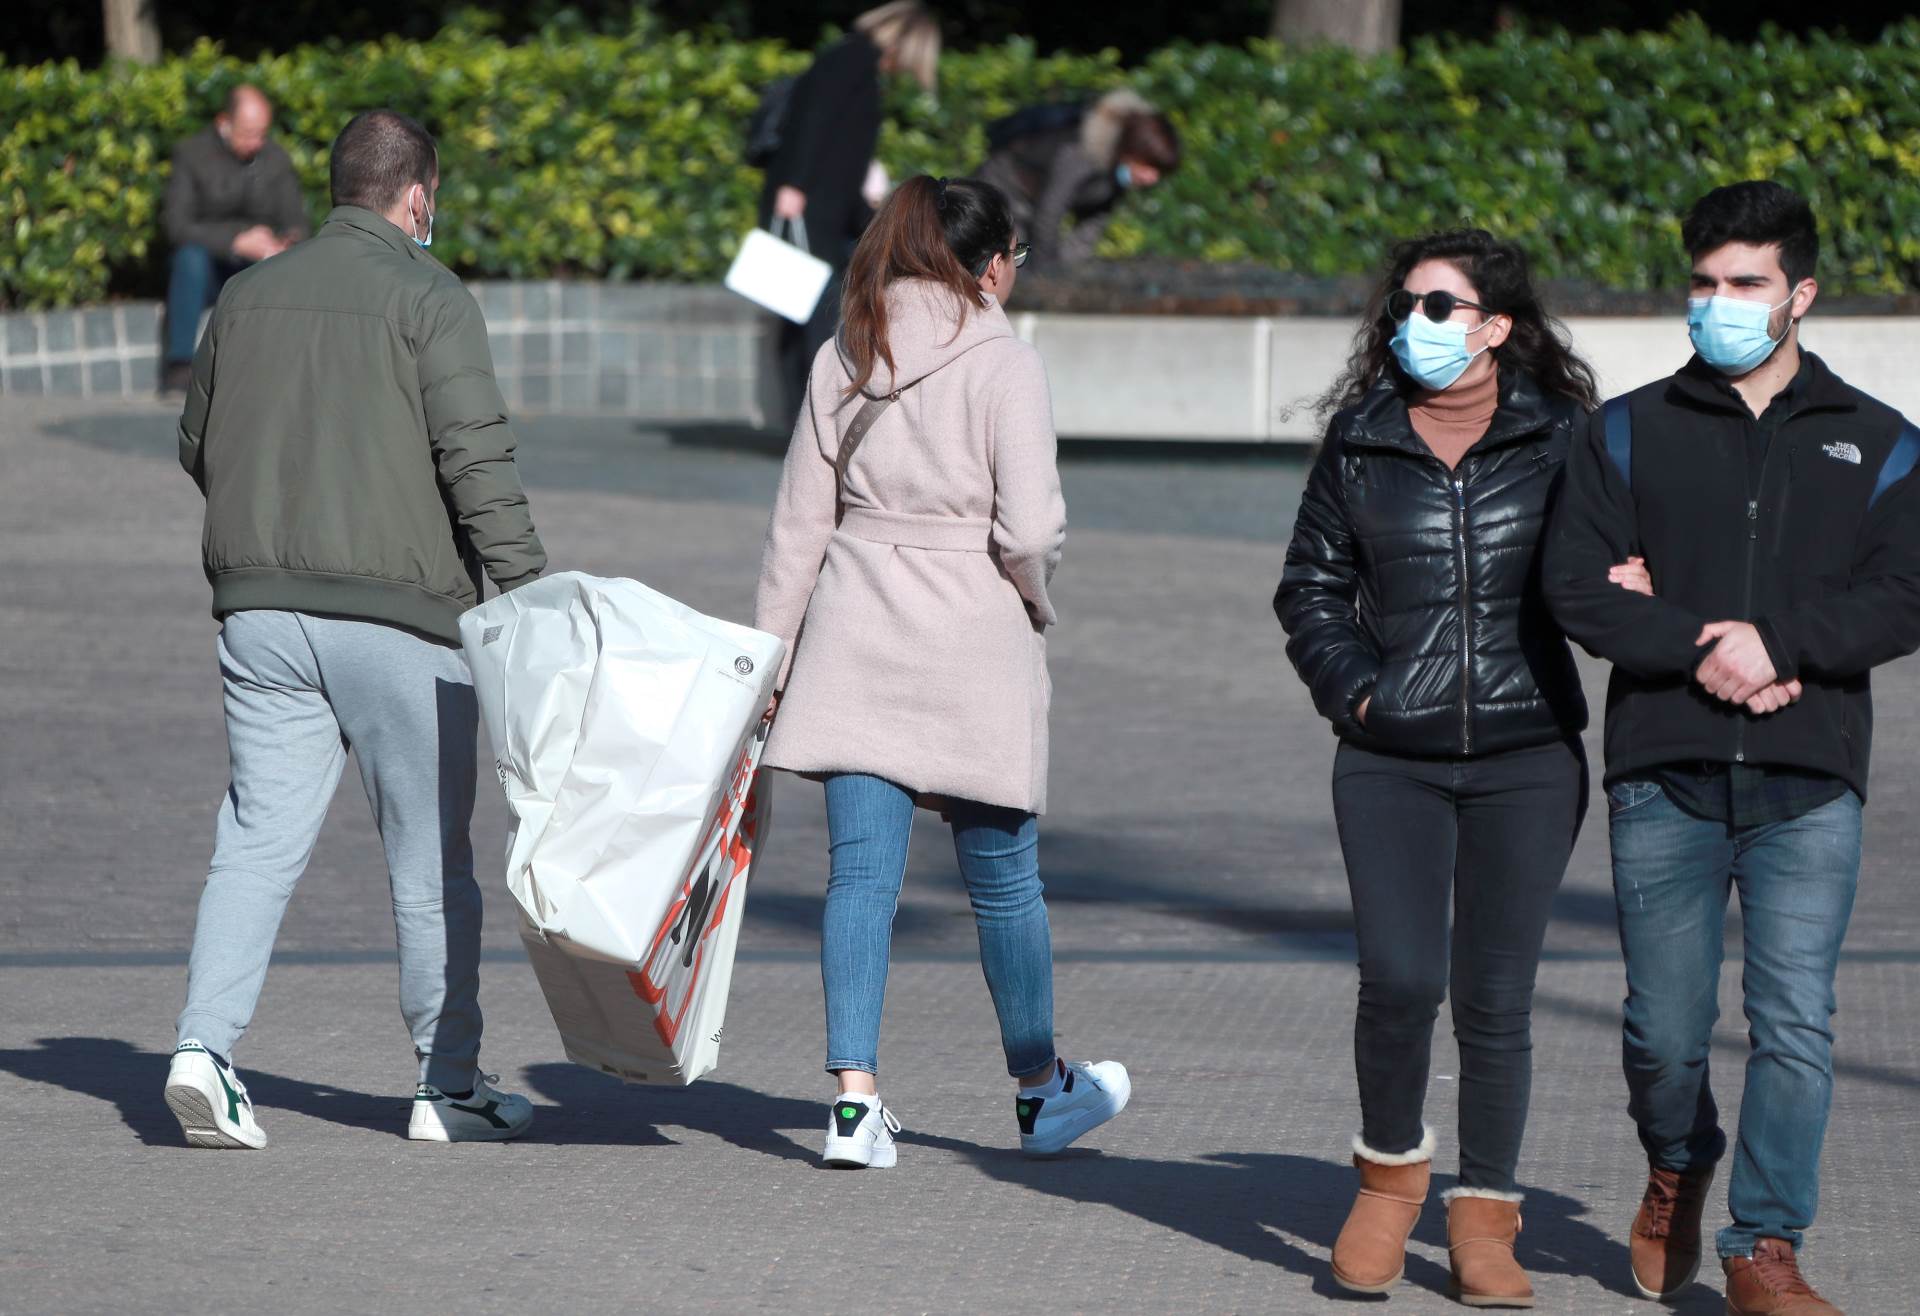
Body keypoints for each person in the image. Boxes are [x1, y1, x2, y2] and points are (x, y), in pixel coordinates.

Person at [1544, 181, 1920, 1315]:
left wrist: (1783, 644)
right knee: (1662, 1029)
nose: (1718, 302)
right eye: (1703, 283)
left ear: (1799, 294)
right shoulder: (1622, 429)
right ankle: (1678, 1157)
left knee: (1796, 1020)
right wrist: (1702, 647)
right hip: (1665, 769)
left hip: (1811, 775)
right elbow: (1572, 582)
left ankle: (1765, 1246)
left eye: (1744, 283)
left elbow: (1905, 592)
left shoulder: (1882, 441)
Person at [167, 109, 546, 1150]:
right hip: (403, 620)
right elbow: (478, 467)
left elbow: (197, 443)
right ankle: (446, 1083)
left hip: (260, 614)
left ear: (336, 188)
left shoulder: (245, 296)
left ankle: (203, 1049)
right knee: (427, 860)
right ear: (416, 197)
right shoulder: (431, 296)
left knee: (253, 839)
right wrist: (531, 604)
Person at [754, 174, 1129, 1170]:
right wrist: (1030, 595)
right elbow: (1032, 526)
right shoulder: (1008, 361)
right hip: (972, 632)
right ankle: (1041, 1089)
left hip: (854, 624)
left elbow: (800, 523)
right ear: (987, 262)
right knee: (1006, 885)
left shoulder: (850, 346)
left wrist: (771, 660)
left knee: (860, 876)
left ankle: (852, 1103)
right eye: (1014, 255)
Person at [1275, 229, 1605, 1307]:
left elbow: (1608, 575)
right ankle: (1386, 1180)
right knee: (1404, 977)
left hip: (1527, 752)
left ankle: (1486, 1216)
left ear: (1495, 326)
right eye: (1403, 303)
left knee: (1497, 995)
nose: (1408, 322)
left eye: (1436, 304)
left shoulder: (1566, 436)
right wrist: (1357, 688)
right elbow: (1309, 586)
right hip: (1389, 756)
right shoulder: (1361, 438)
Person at [757, 1, 942, 425]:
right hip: (810, 205)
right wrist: (795, 186)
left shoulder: (854, 59)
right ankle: (811, 415)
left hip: (823, 204)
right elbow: (814, 122)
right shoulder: (852, 60)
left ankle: (802, 415)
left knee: (800, 308)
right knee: (812, 310)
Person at [161, 85, 310, 394]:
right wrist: (236, 240)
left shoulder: (275, 158)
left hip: (258, 268)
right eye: (247, 133)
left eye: (262, 133)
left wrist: (284, 243)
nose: (256, 143)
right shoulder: (192, 155)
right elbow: (176, 225)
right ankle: (179, 365)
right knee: (189, 259)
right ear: (223, 123)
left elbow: (297, 222)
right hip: (210, 266)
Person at [975, 90, 1180, 271]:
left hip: (1032, 205)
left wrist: (1070, 270)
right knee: (1010, 265)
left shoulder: (1116, 170)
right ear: (1131, 150)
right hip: (1005, 191)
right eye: (1148, 166)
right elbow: (1049, 213)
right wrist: (1047, 272)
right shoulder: (1079, 152)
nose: (1153, 179)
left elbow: (1091, 225)